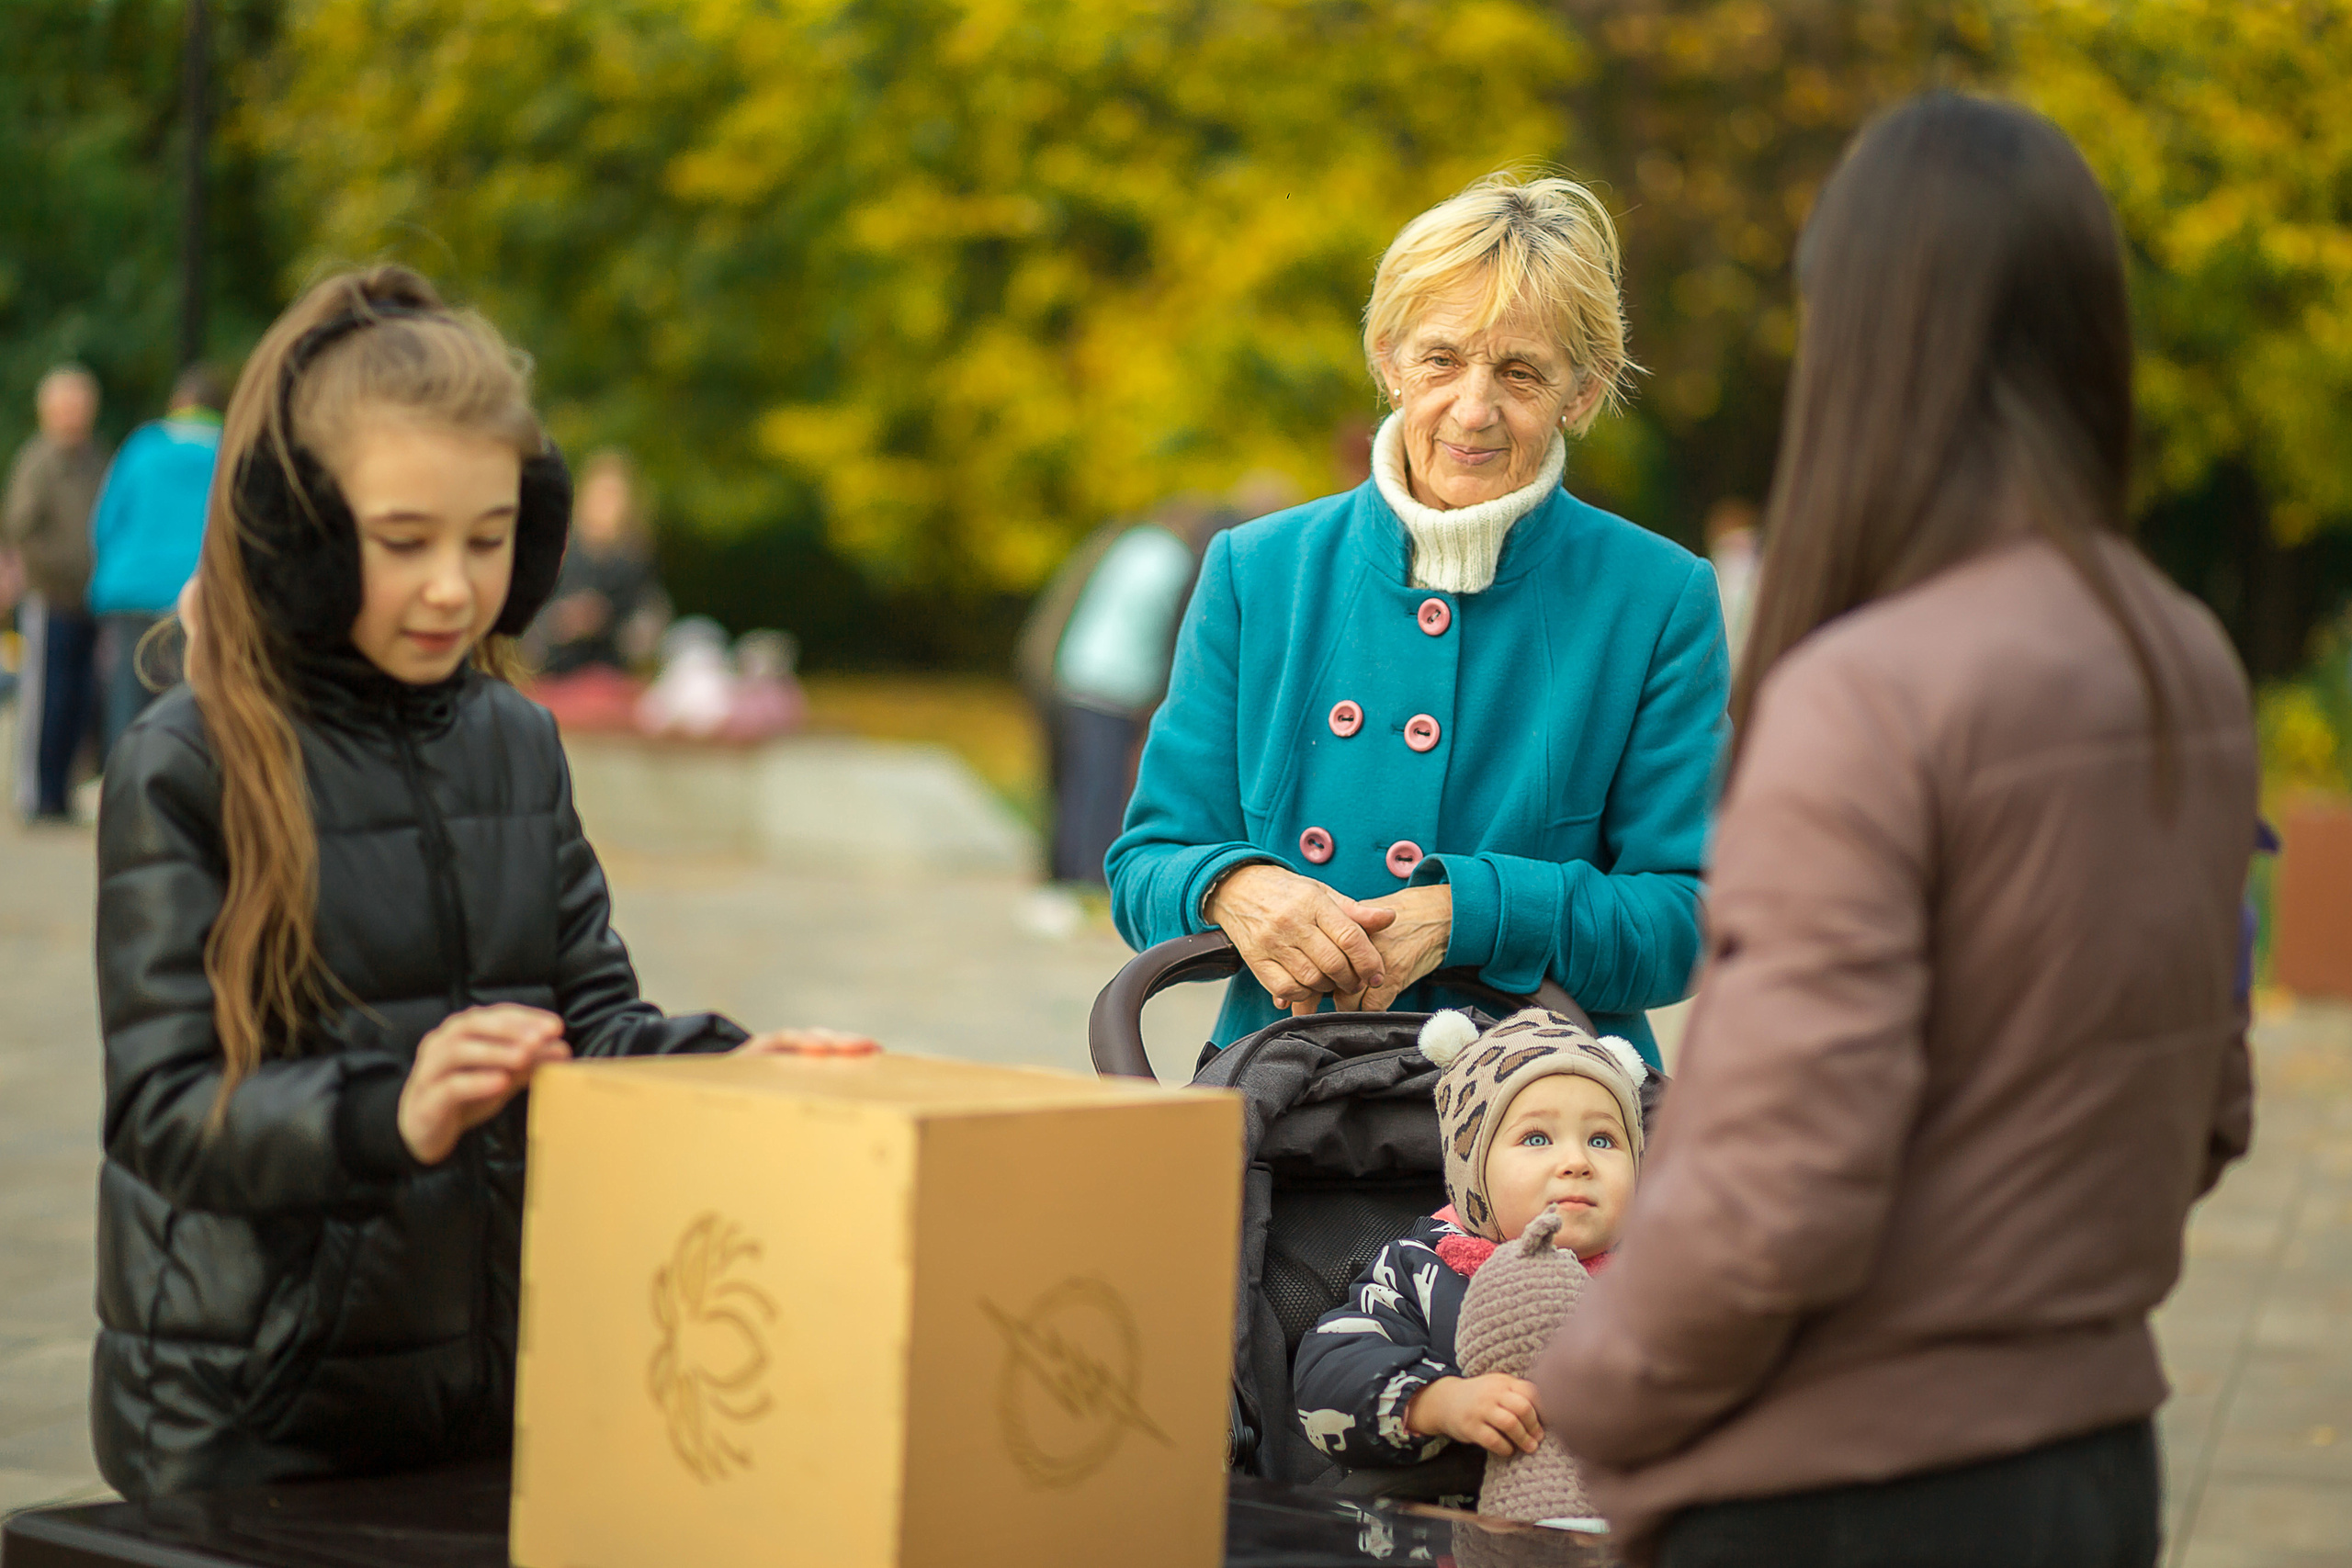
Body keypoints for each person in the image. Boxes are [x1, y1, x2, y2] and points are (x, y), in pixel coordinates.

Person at [1536, 96, 2258, 1568]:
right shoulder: (2181, 654)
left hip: (1837, 1484)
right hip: (2090, 1455)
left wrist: (1589, 1384)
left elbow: (1774, 1186)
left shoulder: (1869, 694)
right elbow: (2211, 1102)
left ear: (1859, 338)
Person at [91, 265, 873, 1501]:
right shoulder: (189, 763)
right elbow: (165, 1110)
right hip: (253, 1420)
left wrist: (743, 1069)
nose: (455, 585)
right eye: (406, 542)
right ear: (302, 537)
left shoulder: (517, 739)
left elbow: (593, 1028)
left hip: (486, 1398)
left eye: (490, 538)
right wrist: (388, 1112)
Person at [1107, 172, 1727, 1060]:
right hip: (1289, 1095)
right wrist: (1233, 887)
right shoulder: (1258, 569)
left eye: (1521, 372)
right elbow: (1145, 863)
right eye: (1441, 360)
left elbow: (1688, 915)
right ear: (1389, 361)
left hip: (1536, 1110)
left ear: (1583, 392)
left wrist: (1466, 912)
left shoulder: (1658, 596)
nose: (1473, 409)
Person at [1293, 1009, 1645, 1483]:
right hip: (1441, 1513)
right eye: (1536, 1137)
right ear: (1471, 1172)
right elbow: (1328, 1371)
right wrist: (1437, 1403)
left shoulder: (1659, 1284)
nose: (1576, 1161)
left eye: (1602, 1140)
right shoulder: (1421, 1272)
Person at [87, 363, 225, 758]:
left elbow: (106, 520)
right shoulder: (232, 448)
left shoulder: (144, 446)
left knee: (127, 701)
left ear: (178, 402)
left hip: (132, 586)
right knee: (190, 702)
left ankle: (122, 779)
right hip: (199, 591)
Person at [3, 365, 108, 821]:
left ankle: (62, 791)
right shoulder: (38, 462)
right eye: (65, 407)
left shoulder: (96, 459)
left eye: (79, 406)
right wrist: (58, 568)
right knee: (47, 695)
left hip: (90, 598)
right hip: (50, 597)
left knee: (80, 699)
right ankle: (37, 792)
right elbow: (22, 528)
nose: (73, 416)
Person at [528, 448, 670, 678]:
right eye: (603, 494)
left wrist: (609, 623)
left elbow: (649, 626)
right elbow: (529, 629)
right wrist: (563, 621)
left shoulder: (635, 561)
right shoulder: (557, 553)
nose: (609, 504)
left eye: (615, 495)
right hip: (556, 675)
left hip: (614, 676)